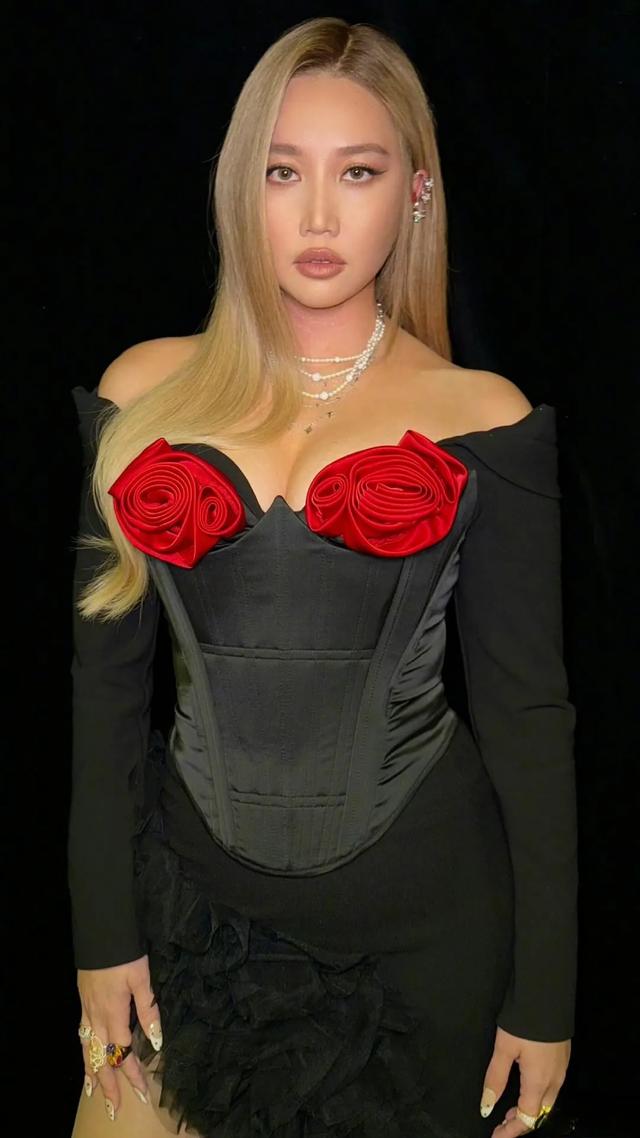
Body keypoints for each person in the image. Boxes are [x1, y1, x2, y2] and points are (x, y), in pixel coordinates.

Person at [68, 15, 577, 1138]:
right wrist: (99, 933)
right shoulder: (142, 392)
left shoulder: (481, 416)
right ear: (236, 189)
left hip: (427, 930)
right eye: (281, 171)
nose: (315, 216)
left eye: (358, 172)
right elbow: (103, 692)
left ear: (415, 193)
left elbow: (528, 717)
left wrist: (546, 995)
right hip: (191, 911)